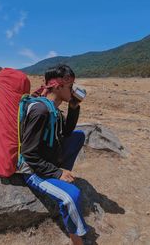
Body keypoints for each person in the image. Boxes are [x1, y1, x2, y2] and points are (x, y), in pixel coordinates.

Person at [19, 64, 88, 245]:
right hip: (34, 169)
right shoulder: (40, 110)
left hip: (49, 158)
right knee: (71, 197)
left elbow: (66, 132)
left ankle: (59, 177)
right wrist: (57, 173)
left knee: (79, 136)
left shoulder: (53, 109)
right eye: (70, 86)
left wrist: (73, 107)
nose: (73, 90)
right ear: (58, 86)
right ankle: (77, 240)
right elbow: (28, 153)